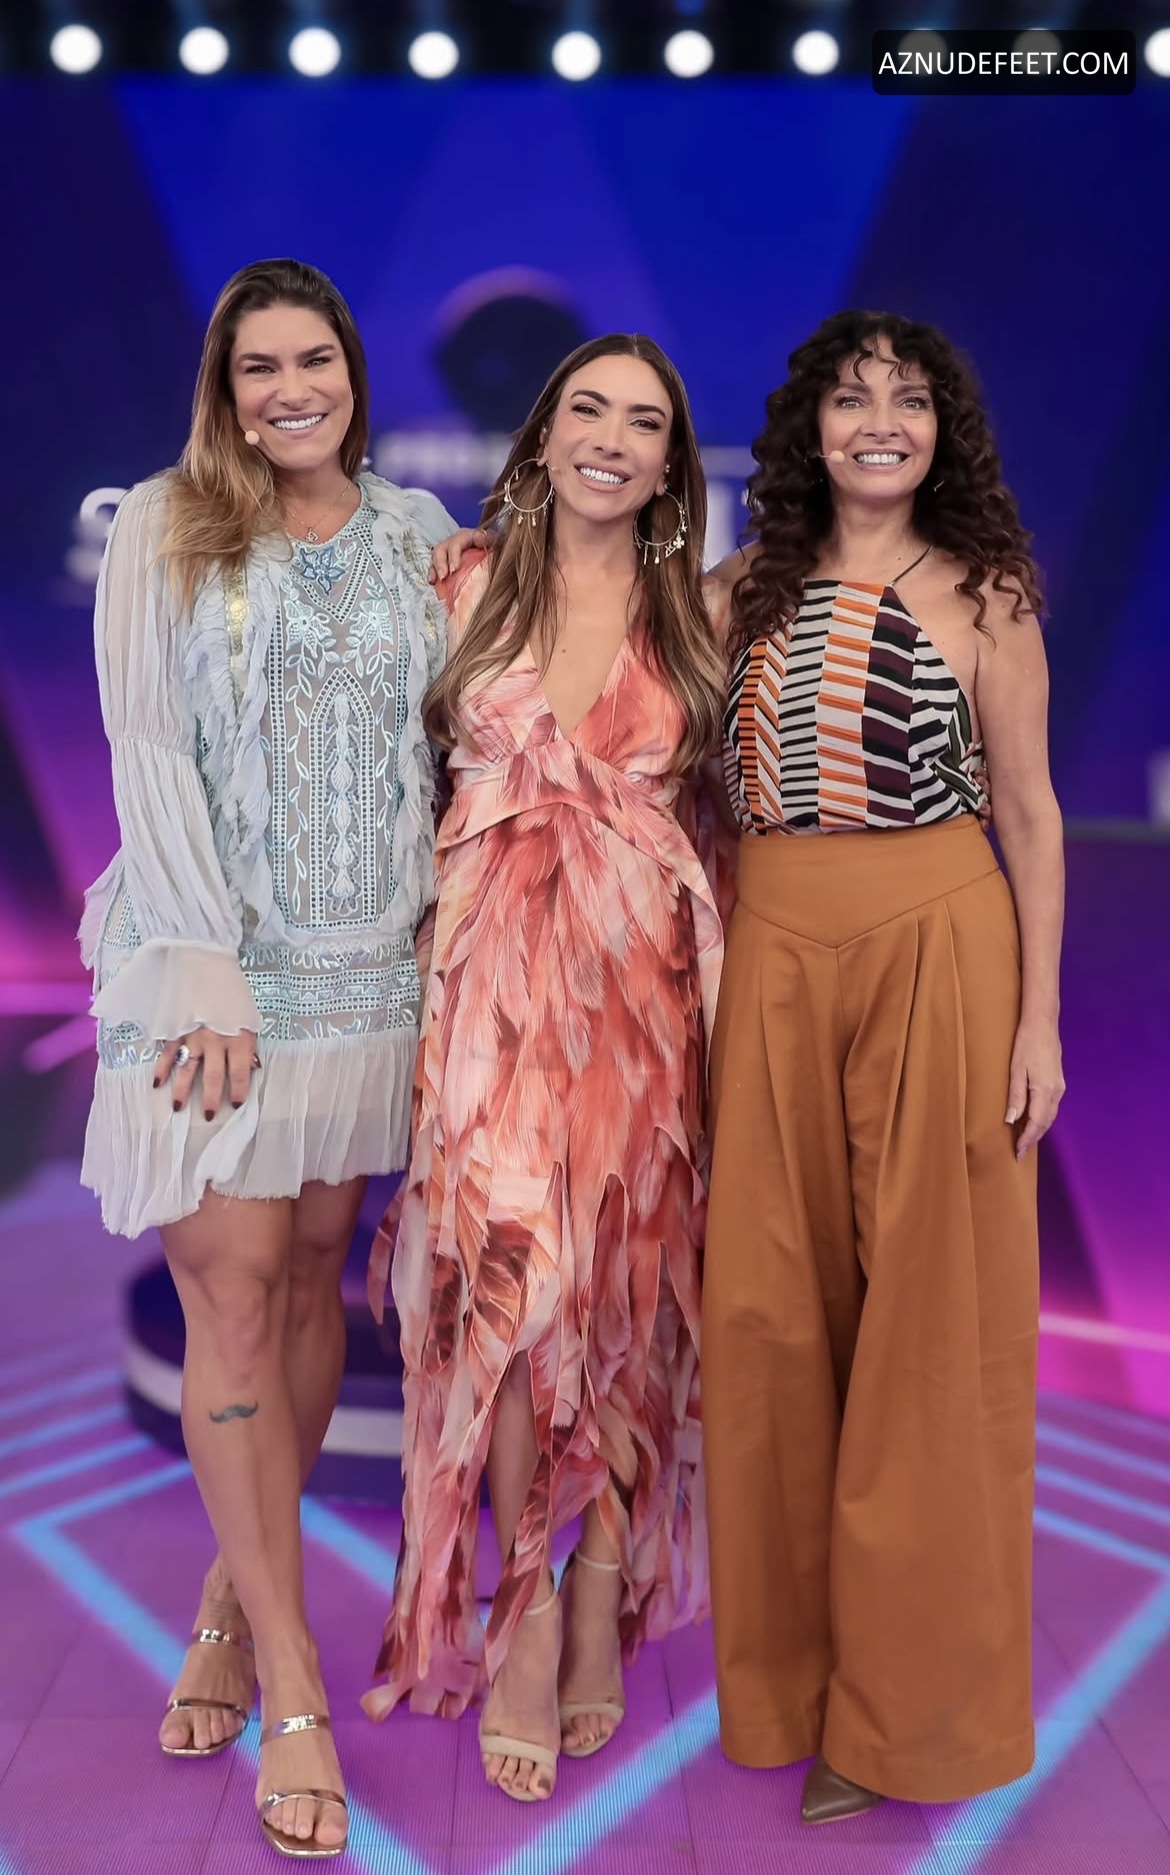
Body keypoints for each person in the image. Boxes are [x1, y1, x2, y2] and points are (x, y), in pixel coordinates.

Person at [81, 258, 453, 1858]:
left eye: (315, 361)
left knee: (308, 1288)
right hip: (211, 984)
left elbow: (443, 748)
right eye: (260, 368)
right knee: (230, 1299)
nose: (291, 390)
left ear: (353, 373)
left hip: (368, 986)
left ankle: (236, 1596)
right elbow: (147, 751)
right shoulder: (167, 525)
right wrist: (204, 972)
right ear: (224, 393)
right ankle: (293, 1685)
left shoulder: (415, 536)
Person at [701, 309, 1064, 1822]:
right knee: (767, 1324)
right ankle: (788, 1694)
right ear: (809, 427)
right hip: (772, 953)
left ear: (940, 432)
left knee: (931, 1334)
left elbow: (1029, 812)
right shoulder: (735, 590)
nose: (878, 422)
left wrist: (1038, 1022)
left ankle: (906, 1722)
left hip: (941, 944)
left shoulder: (986, 590)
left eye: (908, 400)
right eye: (850, 398)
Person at [361, 334, 726, 1803]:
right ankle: (518, 1613)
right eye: (589, 409)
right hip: (485, 1003)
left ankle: (598, 1583)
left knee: (625, 1305)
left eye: (645, 422)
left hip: (640, 1009)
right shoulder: (455, 582)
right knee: (514, 1301)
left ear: (670, 463)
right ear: (542, 432)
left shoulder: (702, 615)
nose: (612, 439)